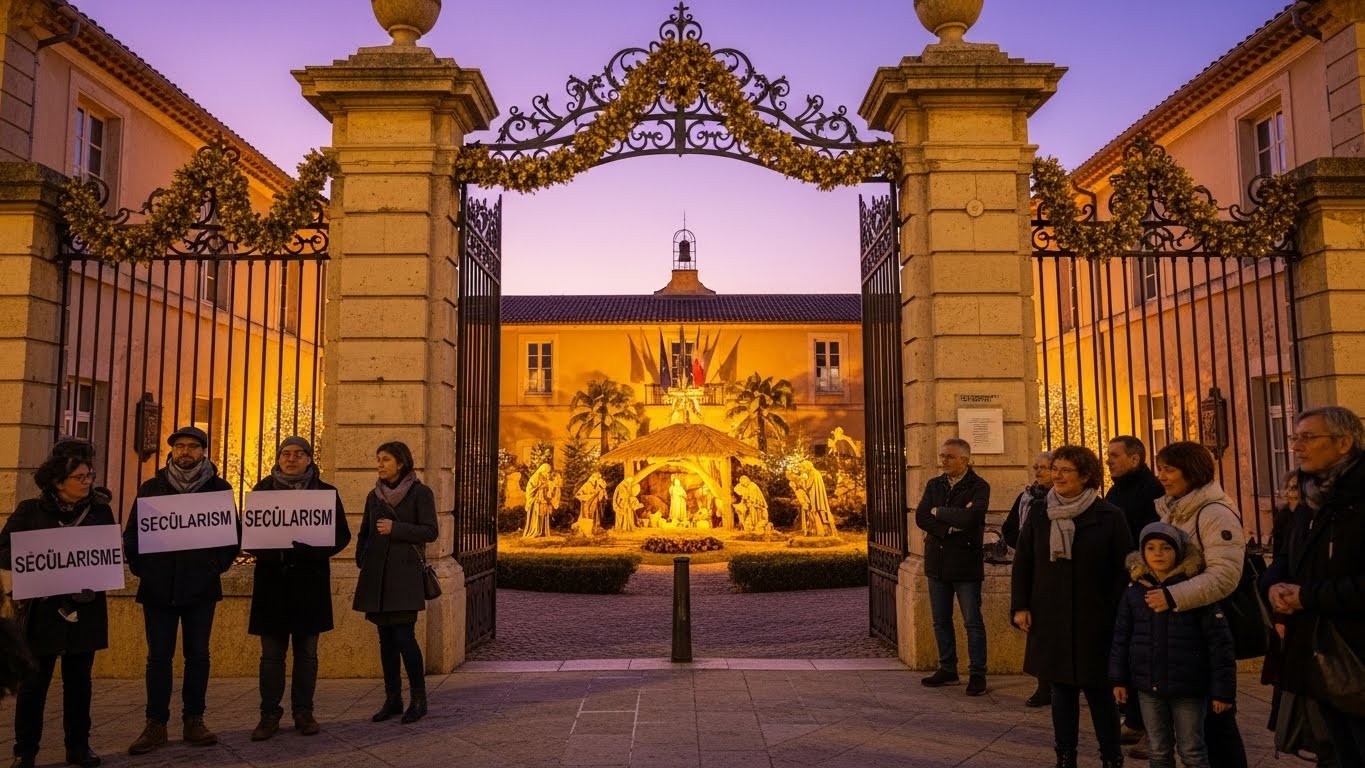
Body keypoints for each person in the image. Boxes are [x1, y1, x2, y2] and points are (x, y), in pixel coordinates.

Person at [1011, 445, 1131, 768]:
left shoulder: (1109, 516)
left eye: (1065, 470)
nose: (1057, 476)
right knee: (1060, 693)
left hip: (1095, 619)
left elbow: (1123, 569)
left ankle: (1111, 756)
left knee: (1099, 694)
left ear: (1086, 476)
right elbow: (1023, 562)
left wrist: (1116, 613)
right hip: (1051, 616)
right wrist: (1020, 606)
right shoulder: (1039, 512)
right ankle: (1065, 756)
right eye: (1055, 469)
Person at [123, 426, 238, 756]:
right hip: (158, 589)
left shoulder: (219, 489)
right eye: (180, 446)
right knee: (158, 657)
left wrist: (214, 567)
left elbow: (231, 537)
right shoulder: (151, 488)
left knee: (198, 657)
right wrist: (143, 569)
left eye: (192, 446)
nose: (185, 452)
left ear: (204, 451)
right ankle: (155, 724)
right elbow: (133, 535)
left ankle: (194, 719)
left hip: (201, 588)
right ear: (171, 451)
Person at [1263, 407, 1365, 766]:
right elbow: (1288, 559)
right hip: (1315, 653)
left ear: (1344, 443)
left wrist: (1307, 596)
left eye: (1308, 437)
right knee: (1334, 752)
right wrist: (1274, 586)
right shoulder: (1311, 497)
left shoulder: (1356, 499)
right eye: (1295, 437)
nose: (1297, 446)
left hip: (1355, 652)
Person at [1, 450, 115, 768]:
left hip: (85, 609)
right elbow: (4, 550)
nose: (87, 481)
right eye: (79, 477)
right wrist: (40, 555)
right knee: (34, 685)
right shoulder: (30, 511)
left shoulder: (99, 512)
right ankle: (25, 750)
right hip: (43, 611)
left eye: (90, 475)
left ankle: (78, 746)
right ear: (57, 481)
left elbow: (107, 551)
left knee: (79, 682)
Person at [246, 437, 352, 741]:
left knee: (307, 653)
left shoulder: (326, 493)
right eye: (285, 454)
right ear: (279, 459)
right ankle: (269, 714)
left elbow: (341, 535)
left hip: (309, 584)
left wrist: (311, 551)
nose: (291, 459)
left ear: (309, 459)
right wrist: (274, 551)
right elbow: (250, 533)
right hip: (272, 585)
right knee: (271, 655)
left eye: (298, 454)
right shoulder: (262, 491)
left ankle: (304, 711)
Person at [1151, 441, 1250, 768]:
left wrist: (1171, 596)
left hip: (1206, 627)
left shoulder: (1214, 512)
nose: (1161, 476)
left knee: (1217, 720)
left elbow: (1224, 576)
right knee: (1194, 723)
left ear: (1191, 472)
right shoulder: (1175, 509)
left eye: (1169, 469)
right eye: (1160, 468)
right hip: (1180, 628)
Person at [1111, 522, 1237, 768]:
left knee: (1192, 750)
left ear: (1178, 552)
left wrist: (1222, 691)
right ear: (1142, 552)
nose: (1158, 554)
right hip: (1149, 686)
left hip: (1189, 686)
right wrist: (1119, 679)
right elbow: (1121, 637)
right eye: (1151, 548)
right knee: (1158, 749)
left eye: (1165, 548)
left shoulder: (1193, 590)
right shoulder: (1134, 591)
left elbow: (1219, 643)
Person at [354, 441, 438, 725]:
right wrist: (362, 559)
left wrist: (396, 529)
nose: (379, 464)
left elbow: (430, 531)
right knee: (385, 641)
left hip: (404, 577)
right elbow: (364, 532)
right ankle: (393, 699)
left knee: (404, 638)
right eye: (378, 459)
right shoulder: (373, 496)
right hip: (377, 577)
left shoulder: (420, 493)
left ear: (401, 463)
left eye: (386, 459)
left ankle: (418, 699)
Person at [915, 438, 991, 695]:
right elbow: (921, 516)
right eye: (942, 455)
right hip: (937, 562)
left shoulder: (979, 486)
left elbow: (972, 518)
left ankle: (977, 674)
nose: (944, 461)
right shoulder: (934, 484)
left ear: (965, 460)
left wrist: (939, 511)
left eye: (949, 456)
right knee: (940, 620)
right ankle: (948, 668)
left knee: (972, 621)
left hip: (965, 564)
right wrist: (947, 527)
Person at [1105, 435, 1166, 756]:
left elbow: (1150, 539)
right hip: (1120, 583)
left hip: (1143, 583)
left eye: (1115, 455)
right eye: (1107, 455)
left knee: (1145, 657)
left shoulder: (1151, 491)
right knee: (1126, 652)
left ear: (1135, 458)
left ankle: (1154, 731)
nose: (1109, 460)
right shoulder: (1116, 489)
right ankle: (1134, 720)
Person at [1002, 450, 1054, 708]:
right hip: (1033, 571)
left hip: (1056, 570)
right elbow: (1009, 529)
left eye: (1044, 467)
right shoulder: (1026, 498)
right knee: (1039, 630)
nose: (1038, 472)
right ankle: (1044, 686)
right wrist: (1026, 547)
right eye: (1036, 467)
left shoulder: (1065, 501)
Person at [521, 464, 552, 538]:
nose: (548, 474)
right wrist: (540, 487)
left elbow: (547, 487)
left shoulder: (545, 478)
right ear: (542, 470)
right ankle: (535, 530)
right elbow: (530, 489)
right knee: (536, 515)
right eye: (547, 472)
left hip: (543, 499)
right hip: (536, 500)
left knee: (543, 515)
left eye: (549, 472)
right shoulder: (535, 478)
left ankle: (542, 531)